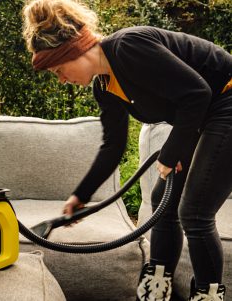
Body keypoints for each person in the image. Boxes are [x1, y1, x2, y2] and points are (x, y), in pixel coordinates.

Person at [22, 0, 232, 300]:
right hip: (206, 115)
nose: (63, 79)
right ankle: (158, 287)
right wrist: (80, 196)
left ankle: (209, 295)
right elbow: (113, 145)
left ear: (73, 51)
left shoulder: (129, 47)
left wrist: (170, 154)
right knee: (163, 198)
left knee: (195, 212)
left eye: (59, 70)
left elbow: (198, 93)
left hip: (225, 99)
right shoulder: (104, 87)